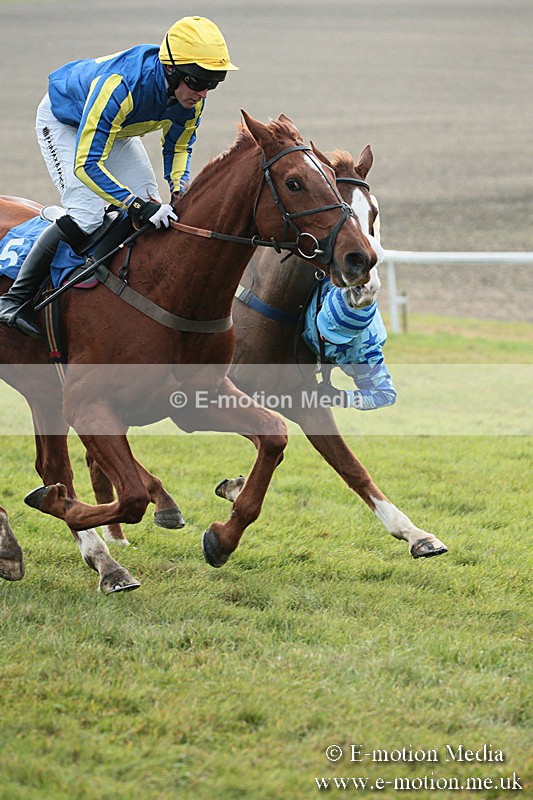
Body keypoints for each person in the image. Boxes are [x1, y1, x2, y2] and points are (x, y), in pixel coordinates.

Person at [0, 16, 238, 337]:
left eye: (214, 82)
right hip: (66, 123)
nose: (204, 93)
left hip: (118, 129)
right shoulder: (121, 85)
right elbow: (87, 165)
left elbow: (179, 149)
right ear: (171, 70)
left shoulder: (190, 98)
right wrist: (135, 205)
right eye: (198, 82)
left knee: (153, 205)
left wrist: (179, 190)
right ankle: (14, 300)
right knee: (88, 214)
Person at [303, 279, 397, 410]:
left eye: (334, 338)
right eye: (324, 327)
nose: (324, 337)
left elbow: (385, 395)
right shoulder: (337, 277)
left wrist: (340, 397)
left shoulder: (364, 354)